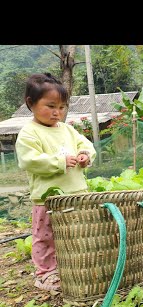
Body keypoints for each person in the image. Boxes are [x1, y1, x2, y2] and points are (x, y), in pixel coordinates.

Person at [15, 73, 96, 291]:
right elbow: (29, 161)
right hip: (47, 199)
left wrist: (85, 155)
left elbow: (86, 145)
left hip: (77, 194)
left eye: (62, 107)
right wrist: (59, 162)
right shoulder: (29, 133)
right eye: (50, 106)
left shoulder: (67, 129)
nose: (57, 112)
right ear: (30, 103)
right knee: (45, 238)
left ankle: (73, 267)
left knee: (78, 233)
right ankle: (45, 274)